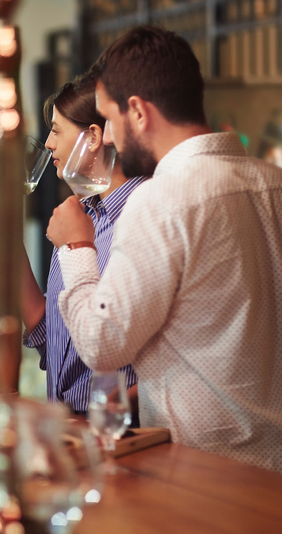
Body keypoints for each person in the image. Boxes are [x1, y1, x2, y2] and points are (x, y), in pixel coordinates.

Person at [46, 26, 282, 473]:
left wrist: (77, 246)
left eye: (110, 119)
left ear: (137, 110)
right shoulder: (273, 184)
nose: (109, 138)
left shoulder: (160, 198)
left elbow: (101, 346)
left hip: (206, 468)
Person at [21, 75, 146, 415]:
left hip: (120, 435)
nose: (48, 143)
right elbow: (56, 342)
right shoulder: (80, 216)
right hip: (70, 432)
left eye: (57, 130)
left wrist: (103, 413)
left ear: (93, 137)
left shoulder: (142, 218)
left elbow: (160, 362)